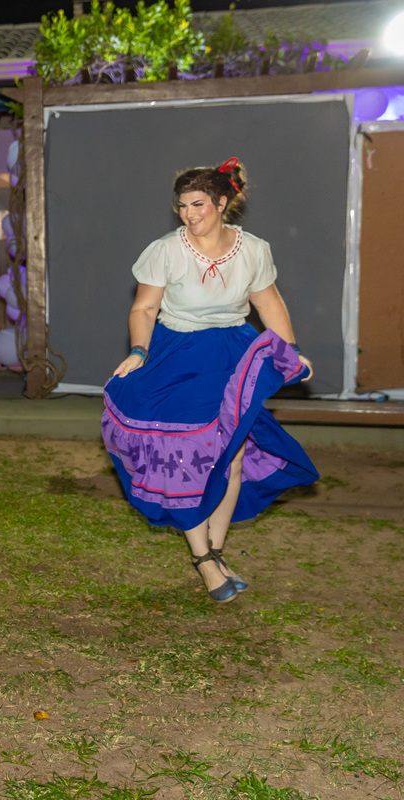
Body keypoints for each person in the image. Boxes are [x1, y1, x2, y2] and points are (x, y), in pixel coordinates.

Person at [102, 158, 319, 603]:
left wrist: (290, 351)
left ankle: (216, 553)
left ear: (222, 202)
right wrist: (139, 351)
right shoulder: (166, 250)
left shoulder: (254, 249)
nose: (189, 214)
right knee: (189, 460)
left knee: (233, 458)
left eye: (198, 204)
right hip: (177, 354)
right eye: (182, 206)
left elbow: (269, 304)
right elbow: (143, 309)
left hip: (233, 354)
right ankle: (203, 561)